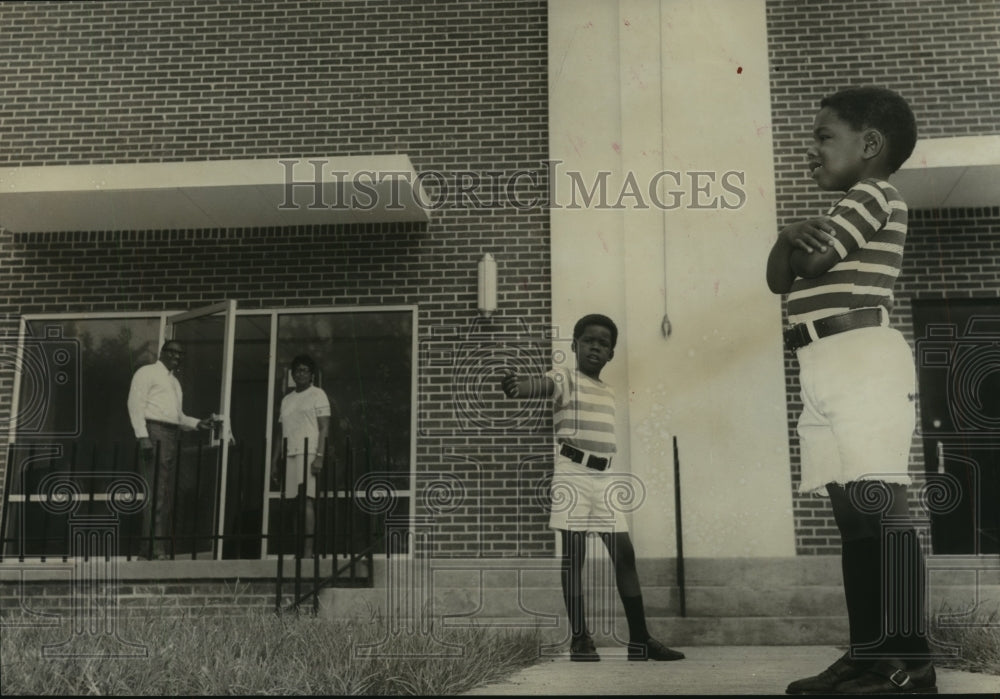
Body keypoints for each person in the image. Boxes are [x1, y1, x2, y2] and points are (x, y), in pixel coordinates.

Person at [766, 87, 934, 694]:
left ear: (869, 145)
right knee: (853, 521)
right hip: (823, 362)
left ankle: (911, 665)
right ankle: (868, 656)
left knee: (879, 511)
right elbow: (777, 279)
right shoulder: (843, 207)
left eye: (822, 137)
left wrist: (791, 236)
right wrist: (788, 236)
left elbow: (807, 265)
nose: (809, 150)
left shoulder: (872, 195)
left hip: (861, 358)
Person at [501, 314, 684, 662]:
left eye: (603, 343)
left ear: (611, 353)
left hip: (604, 478)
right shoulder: (565, 378)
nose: (595, 347)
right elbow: (539, 385)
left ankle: (640, 639)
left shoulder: (609, 391)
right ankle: (580, 639)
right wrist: (516, 387)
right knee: (575, 558)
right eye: (588, 341)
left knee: (624, 554)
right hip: (572, 474)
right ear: (574, 346)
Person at [127, 340, 218, 560]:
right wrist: (143, 437)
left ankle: (156, 548)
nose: (177, 358)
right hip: (154, 432)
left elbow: (176, 417)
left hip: (171, 434)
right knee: (155, 492)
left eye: (180, 355)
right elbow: (135, 404)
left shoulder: (174, 382)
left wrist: (197, 423)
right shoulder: (146, 372)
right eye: (173, 353)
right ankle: (151, 549)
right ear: (162, 353)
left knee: (166, 494)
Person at [270, 354, 333, 558]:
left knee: (307, 501)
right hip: (290, 454)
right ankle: (298, 549)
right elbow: (281, 433)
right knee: (294, 502)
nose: (300, 374)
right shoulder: (287, 399)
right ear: (292, 374)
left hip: (309, 453)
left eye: (305, 370)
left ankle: (308, 551)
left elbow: (324, 428)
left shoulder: (318, 394)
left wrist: (319, 456)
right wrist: (274, 462)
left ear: (311, 375)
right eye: (297, 370)